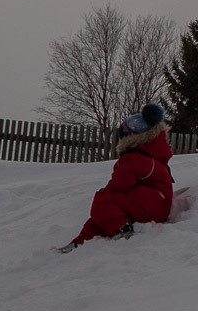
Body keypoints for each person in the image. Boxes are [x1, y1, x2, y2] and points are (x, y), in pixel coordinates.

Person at [64, 103, 174, 249]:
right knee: (104, 213)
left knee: (102, 200)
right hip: (154, 206)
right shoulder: (151, 156)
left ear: (128, 139)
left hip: (150, 207)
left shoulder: (135, 159)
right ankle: (80, 242)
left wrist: (105, 195)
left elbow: (117, 187)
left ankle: (122, 231)